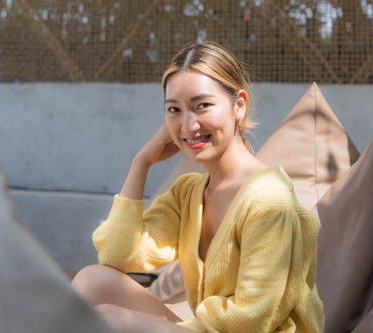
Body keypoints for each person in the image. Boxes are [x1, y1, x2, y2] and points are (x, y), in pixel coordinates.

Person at [72, 41, 324, 333]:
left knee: (110, 321)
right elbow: (118, 256)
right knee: (93, 282)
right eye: (174, 109)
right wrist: (141, 162)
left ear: (239, 105)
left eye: (202, 105)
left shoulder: (268, 201)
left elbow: (253, 319)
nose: (188, 125)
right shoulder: (189, 193)